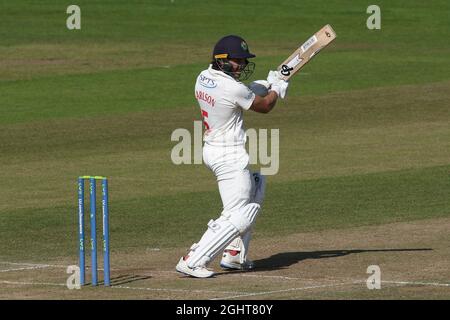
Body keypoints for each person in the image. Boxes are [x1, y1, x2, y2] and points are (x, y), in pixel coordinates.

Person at [176, 35, 289, 278]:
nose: (242, 65)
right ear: (221, 60)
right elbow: (264, 106)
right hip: (229, 157)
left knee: (256, 188)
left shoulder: (203, 78)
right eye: (237, 61)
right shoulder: (233, 87)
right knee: (240, 214)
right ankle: (194, 260)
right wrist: (277, 87)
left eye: (243, 61)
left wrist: (264, 85)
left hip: (213, 149)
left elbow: (241, 94)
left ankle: (235, 255)